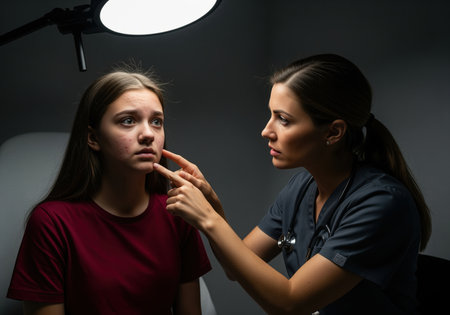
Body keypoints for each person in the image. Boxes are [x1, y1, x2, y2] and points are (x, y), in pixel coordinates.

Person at [153, 54, 432, 314]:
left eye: (283, 120)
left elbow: (290, 303)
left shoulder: (382, 203)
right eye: (271, 115)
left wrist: (207, 219)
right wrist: (212, 205)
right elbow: (236, 266)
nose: (266, 131)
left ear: (333, 132)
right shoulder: (301, 189)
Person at [7, 69, 211, 315]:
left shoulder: (177, 212)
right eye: (128, 120)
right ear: (93, 138)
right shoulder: (51, 223)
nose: (148, 134)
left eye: (156, 121)